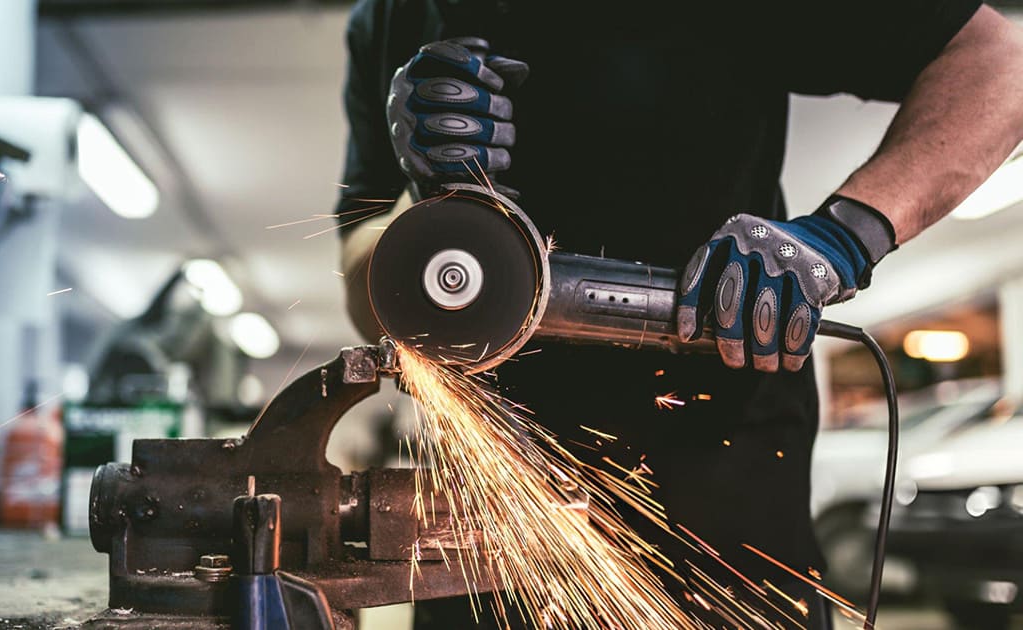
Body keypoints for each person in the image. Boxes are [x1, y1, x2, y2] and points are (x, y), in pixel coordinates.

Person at [334, 1, 1023, 627]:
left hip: (723, 513)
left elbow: (1000, 66)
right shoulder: (388, 21)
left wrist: (843, 236)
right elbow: (365, 293)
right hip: (488, 521)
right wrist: (420, 203)